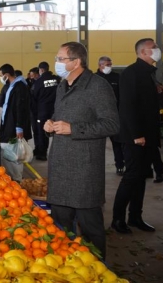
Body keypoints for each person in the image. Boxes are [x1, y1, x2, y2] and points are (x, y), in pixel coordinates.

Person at [43, 42, 119, 259]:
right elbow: (62, 119)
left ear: (76, 62)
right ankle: (68, 267)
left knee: (90, 229)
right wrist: (51, 125)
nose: (57, 63)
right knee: (60, 227)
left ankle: (97, 269)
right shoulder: (62, 85)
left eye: (61, 59)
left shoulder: (97, 86)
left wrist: (73, 129)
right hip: (60, 164)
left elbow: (112, 124)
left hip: (84, 169)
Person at [111, 38, 162, 234]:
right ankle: (117, 219)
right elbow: (128, 107)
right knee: (131, 177)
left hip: (147, 136)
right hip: (135, 137)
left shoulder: (149, 73)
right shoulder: (132, 73)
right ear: (143, 52)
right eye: (154, 48)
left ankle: (135, 217)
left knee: (141, 177)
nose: (157, 50)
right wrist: (137, 135)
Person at [0, 64, 32, 182]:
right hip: (9, 122)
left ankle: (17, 179)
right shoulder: (11, 85)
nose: (0, 78)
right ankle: (11, 177)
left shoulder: (20, 87)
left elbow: (21, 108)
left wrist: (19, 127)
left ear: (6, 75)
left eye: (1, 76)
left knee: (15, 152)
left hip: (14, 125)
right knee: (7, 150)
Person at [95, 56, 125, 175]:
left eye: (110, 64)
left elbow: (122, 96)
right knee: (96, 144)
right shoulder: (94, 78)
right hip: (97, 117)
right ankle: (95, 168)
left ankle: (120, 165)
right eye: (107, 65)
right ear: (100, 65)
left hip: (113, 116)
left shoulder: (116, 77)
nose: (109, 67)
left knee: (117, 143)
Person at [34, 62, 59, 161]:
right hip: (55, 110)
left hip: (42, 110)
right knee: (56, 132)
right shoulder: (57, 80)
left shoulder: (39, 81)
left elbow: (34, 96)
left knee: (42, 132)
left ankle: (42, 153)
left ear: (41, 70)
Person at [28, 67, 43, 159]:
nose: (32, 77)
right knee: (36, 132)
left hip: (39, 111)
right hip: (34, 111)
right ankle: (37, 148)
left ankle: (41, 151)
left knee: (40, 132)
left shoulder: (39, 83)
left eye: (33, 75)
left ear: (37, 74)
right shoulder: (34, 82)